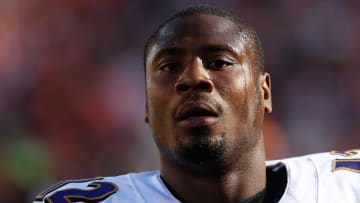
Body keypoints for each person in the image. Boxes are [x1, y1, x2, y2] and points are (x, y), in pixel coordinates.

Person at [34, 4, 360, 203]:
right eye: (169, 66)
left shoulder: (348, 187)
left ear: (265, 93)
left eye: (219, 62)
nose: (193, 77)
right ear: (147, 106)